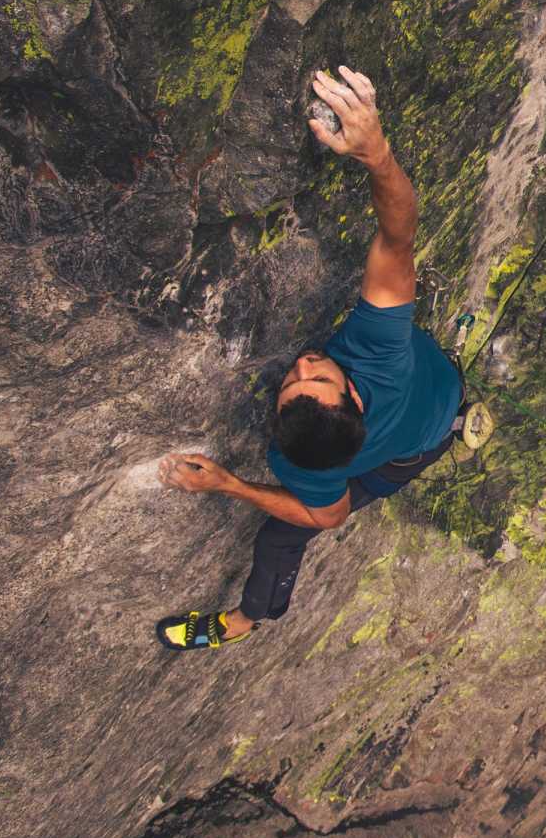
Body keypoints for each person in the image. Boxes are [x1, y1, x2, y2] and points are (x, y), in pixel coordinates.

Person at [156, 66, 463, 651]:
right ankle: (246, 623)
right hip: (427, 412)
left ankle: (241, 624)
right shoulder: (375, 357)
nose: (302, 363)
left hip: (414, 444)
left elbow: (328, 515)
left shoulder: (316, 454)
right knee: (284, 530)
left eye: (299, 380)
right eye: (315, 374)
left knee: (278, 536)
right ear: (352, 394)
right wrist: (375, 155)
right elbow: (398, 233)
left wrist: (229, 484)